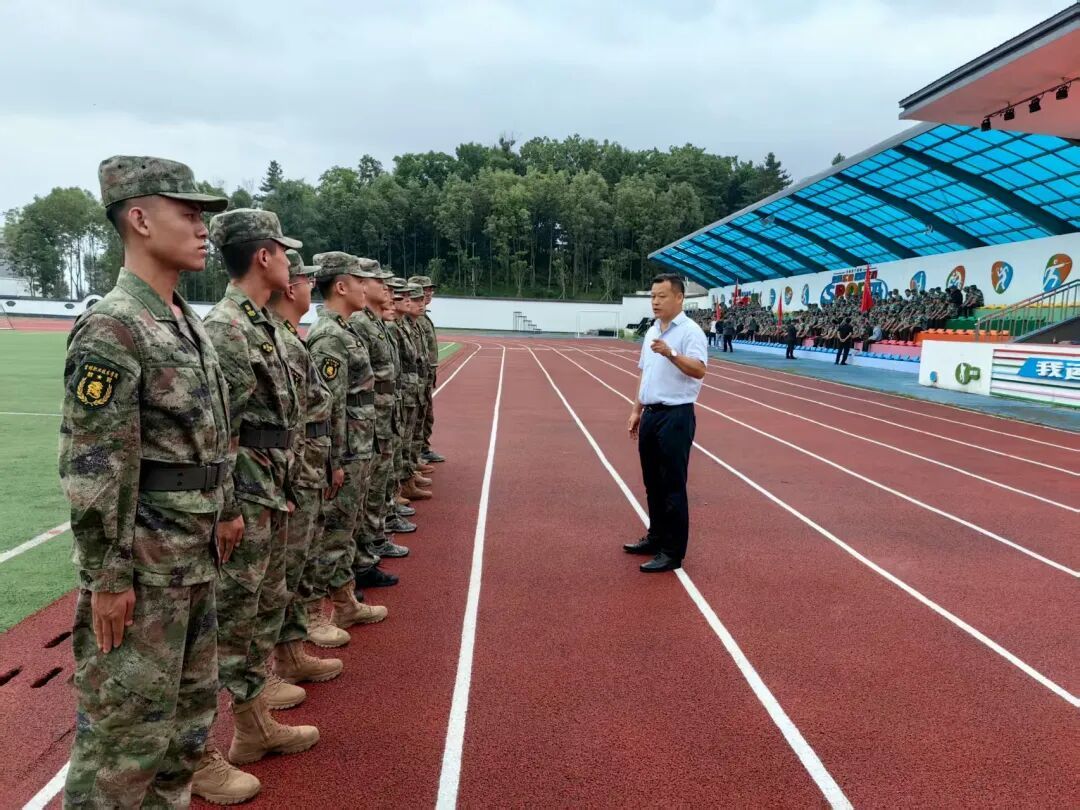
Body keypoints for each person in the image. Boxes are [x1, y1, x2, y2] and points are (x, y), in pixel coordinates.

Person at [60, 155, 231, 808]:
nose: (202, 228)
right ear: (139, 219)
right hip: (147, 572)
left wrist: (225, 510)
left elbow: (211, 436)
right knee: (123, 744)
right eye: (188, 214)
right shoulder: (114, 326)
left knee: (184, 731)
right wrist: (107, 578)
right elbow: (94, 466)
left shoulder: (184, 321)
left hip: (193, 559)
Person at [195, 209, 317, 802]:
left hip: (272, 483)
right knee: (238, 612)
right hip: (247, 489)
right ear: (263, 256)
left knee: (265, 601)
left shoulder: (260, 322)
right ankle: (241, 727)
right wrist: (229, 508)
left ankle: (254, 716)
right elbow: (223, 430)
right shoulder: (228, 328)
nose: (291, 264)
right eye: (284, 252)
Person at [269, 249, 351, 660]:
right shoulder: (283, 339)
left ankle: (294, 647)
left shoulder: (291, 338)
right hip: (293, 471)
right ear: (290, 288)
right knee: (287, 565)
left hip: (308, 465)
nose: (311, 287)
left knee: (302, 556)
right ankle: (286, 653)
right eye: (306, 280)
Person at [307, 253, 399, 597]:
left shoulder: (345, 329)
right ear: (341, 287)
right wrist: (334, 460)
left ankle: (345, 590)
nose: (365, 287)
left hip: (359, 442)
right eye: (359, 281)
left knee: (349, 522)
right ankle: (325, 602)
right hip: (346, 448)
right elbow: (330, 405)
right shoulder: (330, 336)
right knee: (336, 528)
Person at [623, 274, 707, 573]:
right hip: (651, 414)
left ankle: (672, 552)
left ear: (679, 298)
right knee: (652, 483)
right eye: (653, 296)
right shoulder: (651, 331)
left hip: (676, 416)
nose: (656, 302)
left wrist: (671, 353)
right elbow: (645, 372)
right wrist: (636, 410)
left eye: (662, 296)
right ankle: (656, 537)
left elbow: (699, 369)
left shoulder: (690, 332)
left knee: (672, 485)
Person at [350, 259, 411, 563]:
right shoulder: (360, 323)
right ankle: (370, 543)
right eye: (379, 282)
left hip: (383, 412)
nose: (386, 288)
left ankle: (376, 535)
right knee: (370, 483)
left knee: (381, 476)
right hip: (369, 416)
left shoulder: (374, 323)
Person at [409, 275, 445, 464]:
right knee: (418, 416)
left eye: (431, 289)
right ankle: (418, 453)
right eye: (425, 289)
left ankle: (421, 450)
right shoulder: (415, 319)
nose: (429, 293)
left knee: (424, 414)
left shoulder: (422, 317)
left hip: (426, 374)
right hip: (417, 376)